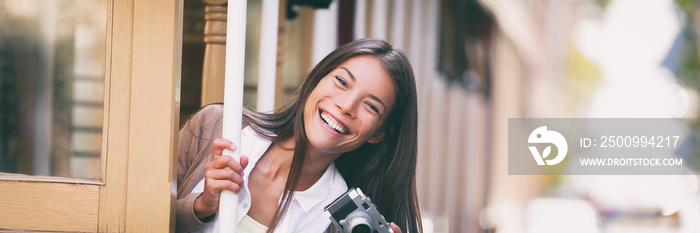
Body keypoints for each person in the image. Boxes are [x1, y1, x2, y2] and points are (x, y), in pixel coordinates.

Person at [176, 38, 422, 233]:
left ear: (378, 134)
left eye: (371, 106)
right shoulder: (215, 126)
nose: (347, 106)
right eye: (341, 82)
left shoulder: (339, 223)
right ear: (317, 78)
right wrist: (200, 205)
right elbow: (141, 214)